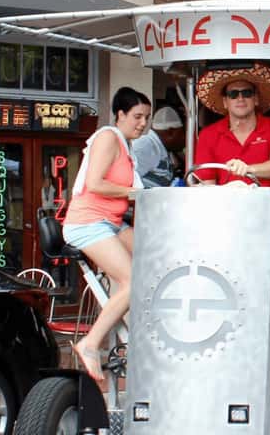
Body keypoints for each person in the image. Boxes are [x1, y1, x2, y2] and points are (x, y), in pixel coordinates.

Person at [63, 87, 151, 382]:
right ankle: (90, 344)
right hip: (88, 222)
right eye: (137, 116)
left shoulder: (126, 146)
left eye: (147, 117)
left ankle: (131, 343)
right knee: (132, 281)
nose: (142, 123)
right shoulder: (107, 137)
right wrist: (134, 192)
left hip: (111, 222)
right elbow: (96, 183)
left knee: (153, 262)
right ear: (120, 115)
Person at [193, 63, 270, 190]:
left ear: (256, 99)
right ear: (225, 102)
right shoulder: (208, 135)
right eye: (233, 94)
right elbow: (207, 185)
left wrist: (248, 169)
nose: (240, 98)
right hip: (226, 207)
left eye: (247, 93)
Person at [132, 106, 185, 187]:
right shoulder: (145, 146)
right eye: (183, 134)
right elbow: (128, 181)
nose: (185, 140)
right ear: (170, 132)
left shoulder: (164, 149)